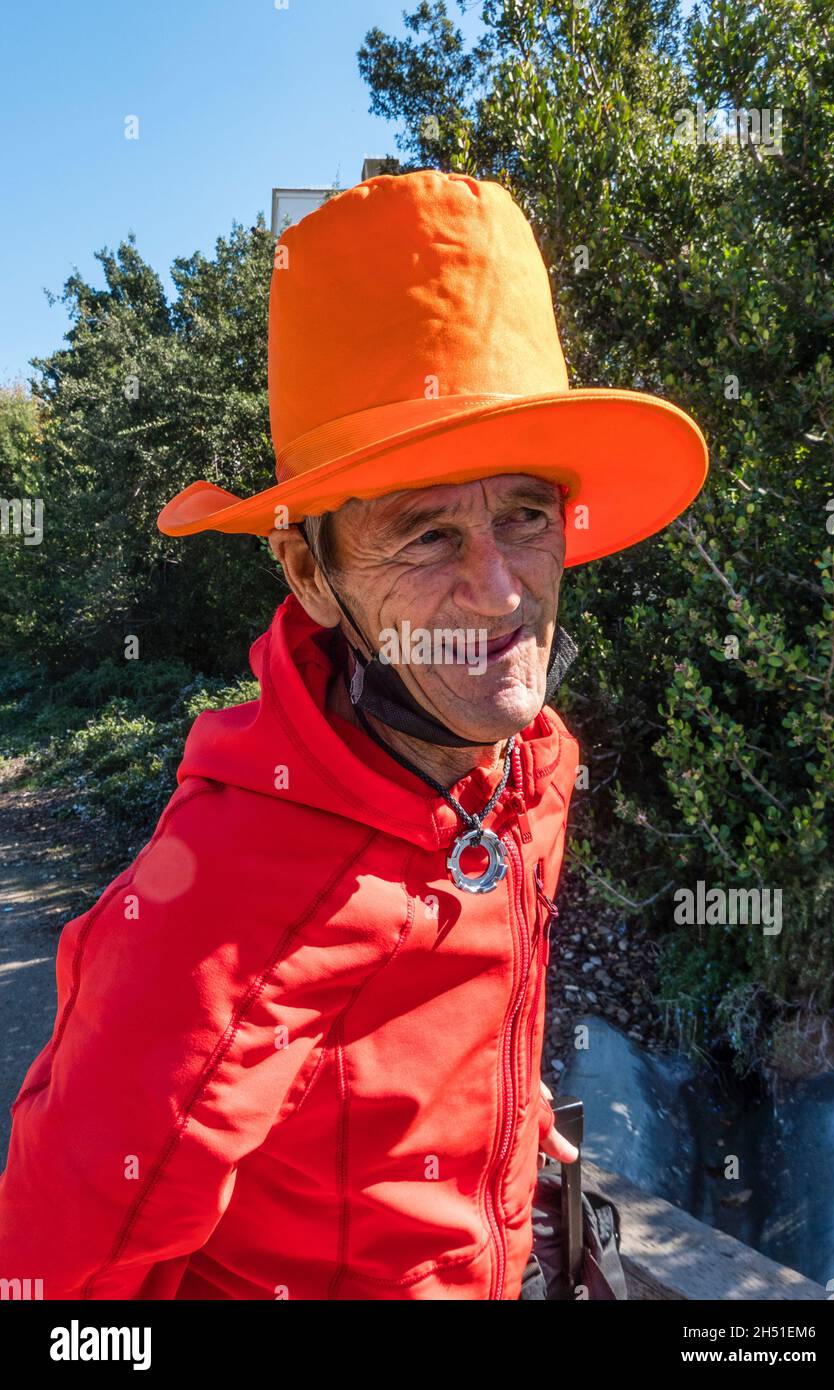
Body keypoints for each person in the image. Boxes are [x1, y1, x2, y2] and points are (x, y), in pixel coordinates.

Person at [0, 169, 707, 1300]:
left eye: (524, 515)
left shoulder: (526, 765)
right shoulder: (212, 915)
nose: (495, 589)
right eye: (425, 534)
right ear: (308, 574)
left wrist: (508, 1122)